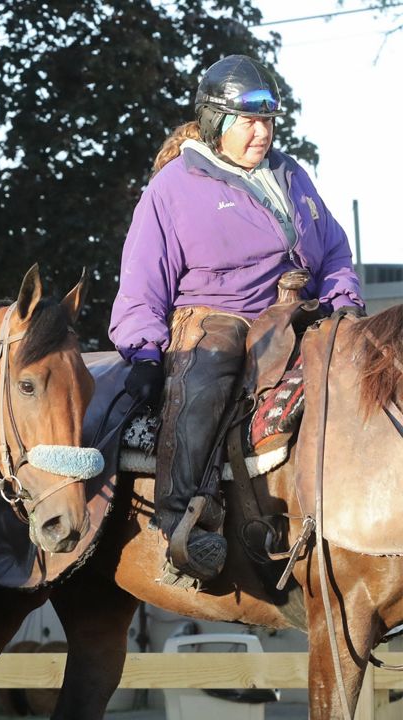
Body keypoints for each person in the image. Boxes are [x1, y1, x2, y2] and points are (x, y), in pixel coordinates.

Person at [109, 55, 366, 583]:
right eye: (249, 121)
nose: (262, 131)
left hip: (299, 315)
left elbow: (336, 250)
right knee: (209, 379)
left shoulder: (292, 175)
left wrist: (344, 300)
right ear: (215, 124)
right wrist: (143, 352)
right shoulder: (173, 187)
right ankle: (182, 526)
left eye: (268, 121)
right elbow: (141, 280)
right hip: (216, 318)